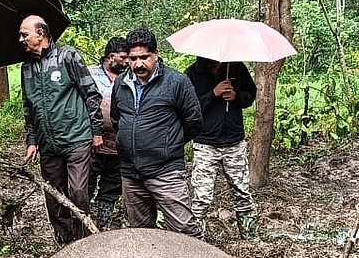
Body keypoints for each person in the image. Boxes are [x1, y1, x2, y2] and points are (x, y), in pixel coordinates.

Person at [18, 14, 103, 244]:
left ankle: (83, 240)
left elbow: (90, 93)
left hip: (76, 137)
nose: (20, 39)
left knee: (77, 192)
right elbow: (29, 107)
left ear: (41, 34)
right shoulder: (26, 68)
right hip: (48, 144)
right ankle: (65, 243)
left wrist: (96, 131)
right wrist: (31, 140)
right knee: (54, 197)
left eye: (24, 34)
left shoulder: (67, 56)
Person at [111, 27, 202, 237]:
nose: (138, 64)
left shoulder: (176, 82)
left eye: (144, 57)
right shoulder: (120, 83)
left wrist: (167, 143)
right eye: (133, 58)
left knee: (184, 229)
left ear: (156, 54)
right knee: (141, 233)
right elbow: (117, 120)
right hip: (130, 172)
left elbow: (194, 121)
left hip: (166, 170)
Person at [185, 56, 258, 236]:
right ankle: (195, 240)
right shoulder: (192, 73)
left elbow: (251, 94)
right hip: (205, 143)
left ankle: (249, 235)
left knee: (242, 191)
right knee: (201, 196)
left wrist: (236, 96)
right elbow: (189, 108)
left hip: (234, 141)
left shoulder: (236, 67)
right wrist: (213, 94)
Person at [87, 36, 127, 230]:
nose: (127, 61)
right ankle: (81, 225)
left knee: (110, 189)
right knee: (84, 186)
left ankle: (103, 227)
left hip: (118, 145)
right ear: (111, 57)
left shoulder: (130, 76)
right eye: (123, 57)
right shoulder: (90, 74)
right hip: (92, 143)